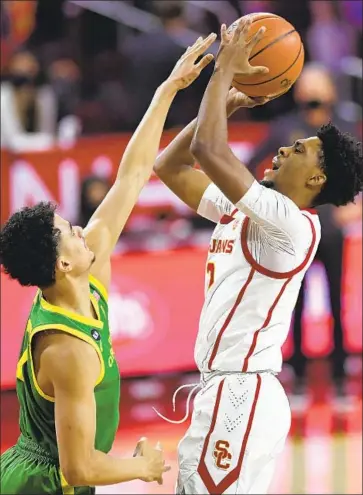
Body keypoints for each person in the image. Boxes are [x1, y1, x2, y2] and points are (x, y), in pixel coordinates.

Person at [0, 34, 217, 495]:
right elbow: (80, 469)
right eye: (69, 231)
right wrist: (143, 466)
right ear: (61, 263)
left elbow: (132, 175)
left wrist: (168, 91)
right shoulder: (68, 351)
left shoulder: (87, 274)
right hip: (41, 485)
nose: (81, 229)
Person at [154, 18, 362, 494]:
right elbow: (171, 166)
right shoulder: (256, 211)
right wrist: (224, 102)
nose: (283, 149)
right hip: (230, 390)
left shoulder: (291, 224)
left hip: (240, 393)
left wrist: (223, 72)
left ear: (316, 182)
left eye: (298, 150)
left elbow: (209, 149)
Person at [246, 64, 359, 391]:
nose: (311, 93)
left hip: (333, 230)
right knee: (292, 301)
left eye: (317, 86)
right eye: (306, 86)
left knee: (337, 300)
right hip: (294, 230)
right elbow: (252, 163)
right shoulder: (285, 128)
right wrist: (270, 204)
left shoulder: (345, 126)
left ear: (330, 91)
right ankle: (294, 373)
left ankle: (339, 373)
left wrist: (357, 207)